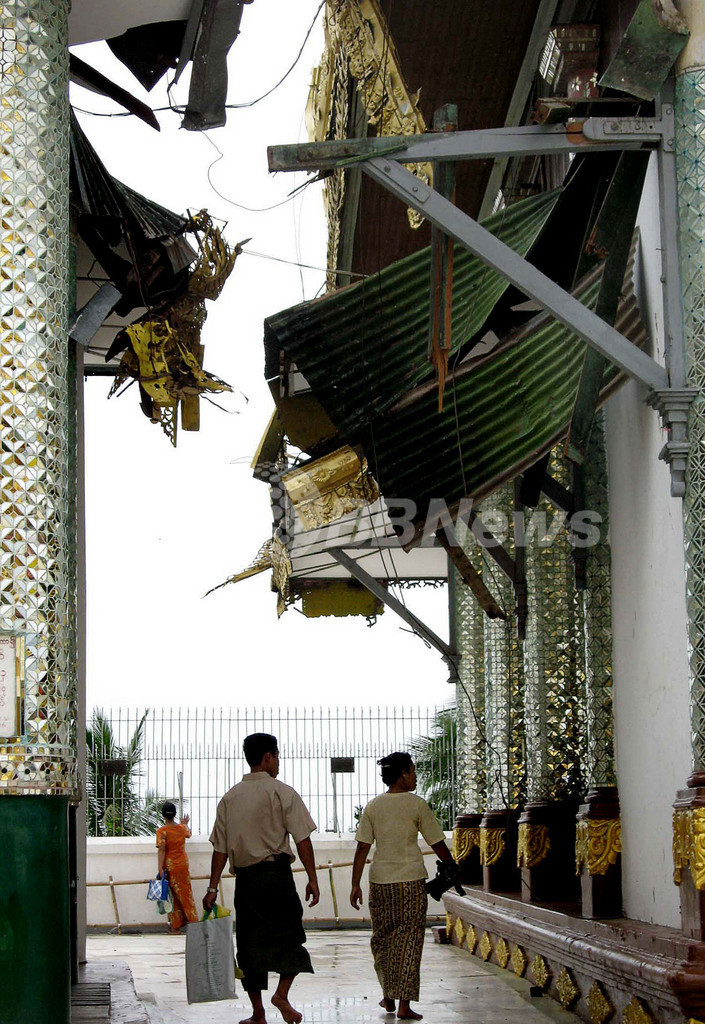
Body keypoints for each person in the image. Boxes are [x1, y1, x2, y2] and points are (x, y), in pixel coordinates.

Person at [203, 733, 320, 1024]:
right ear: (267, 756)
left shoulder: (230, 798)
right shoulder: (282, 792)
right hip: (277, 877)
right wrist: (312, 878)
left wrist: (212, 887)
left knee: (249, 944)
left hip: (246, 882)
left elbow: (220, 849)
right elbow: (302, 839)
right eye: (277, 755)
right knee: (290, 936)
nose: (278, 762)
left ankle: (258, 1013)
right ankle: (281, 994)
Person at [350, 751, 456, 1022]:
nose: (416, 776)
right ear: (403, 774)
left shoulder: (373, 806)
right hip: (410, 882)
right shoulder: (417, 805)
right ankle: (404, 1005)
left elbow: (362, 847)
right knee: (409, 941)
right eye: (412, 771)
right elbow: (437, 842)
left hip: (380, 883)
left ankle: (388, 993)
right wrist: (452, 865)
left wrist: (355, 885)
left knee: (382, 939)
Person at [156, 800, 198, 933]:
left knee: (172, 896)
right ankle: (192, 923)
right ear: (174, 814)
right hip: (183, 865)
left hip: (170, 866)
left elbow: (161, 849)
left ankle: (178, 926)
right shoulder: (181, 828)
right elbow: (188, 833)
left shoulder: (162, 831)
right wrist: (185, 823)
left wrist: (160, 868)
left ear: (163, 815)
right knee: (186, 894)